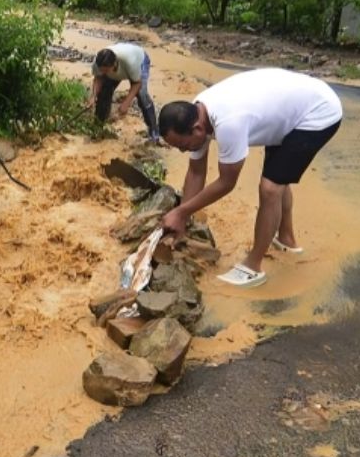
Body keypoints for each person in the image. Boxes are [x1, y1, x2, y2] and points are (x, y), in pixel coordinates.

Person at [156, 68, 343, 287]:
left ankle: (253, 268)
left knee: (270, 188)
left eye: (183, 146)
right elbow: (196, 171)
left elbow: (227, 183)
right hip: (286, 110)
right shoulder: (196, 111)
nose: (182, 151)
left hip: (318, 113)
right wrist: (183, 219)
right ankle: (287, 240)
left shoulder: (229, 123)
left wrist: (180, 211)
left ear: (197, 129)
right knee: (277, 176)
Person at [86, 43, 160, 143]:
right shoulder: (98, 63)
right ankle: (99, 128)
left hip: (140, 61)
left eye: (106, 70)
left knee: (142, 96)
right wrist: (93, 97)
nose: (104, 73)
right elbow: (98, 78)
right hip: (118, 70)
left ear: (114, 64)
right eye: (102, 70)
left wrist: (126, 103)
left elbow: (137, 83)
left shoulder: (129, 62)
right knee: (103, 93)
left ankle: (154, 134)